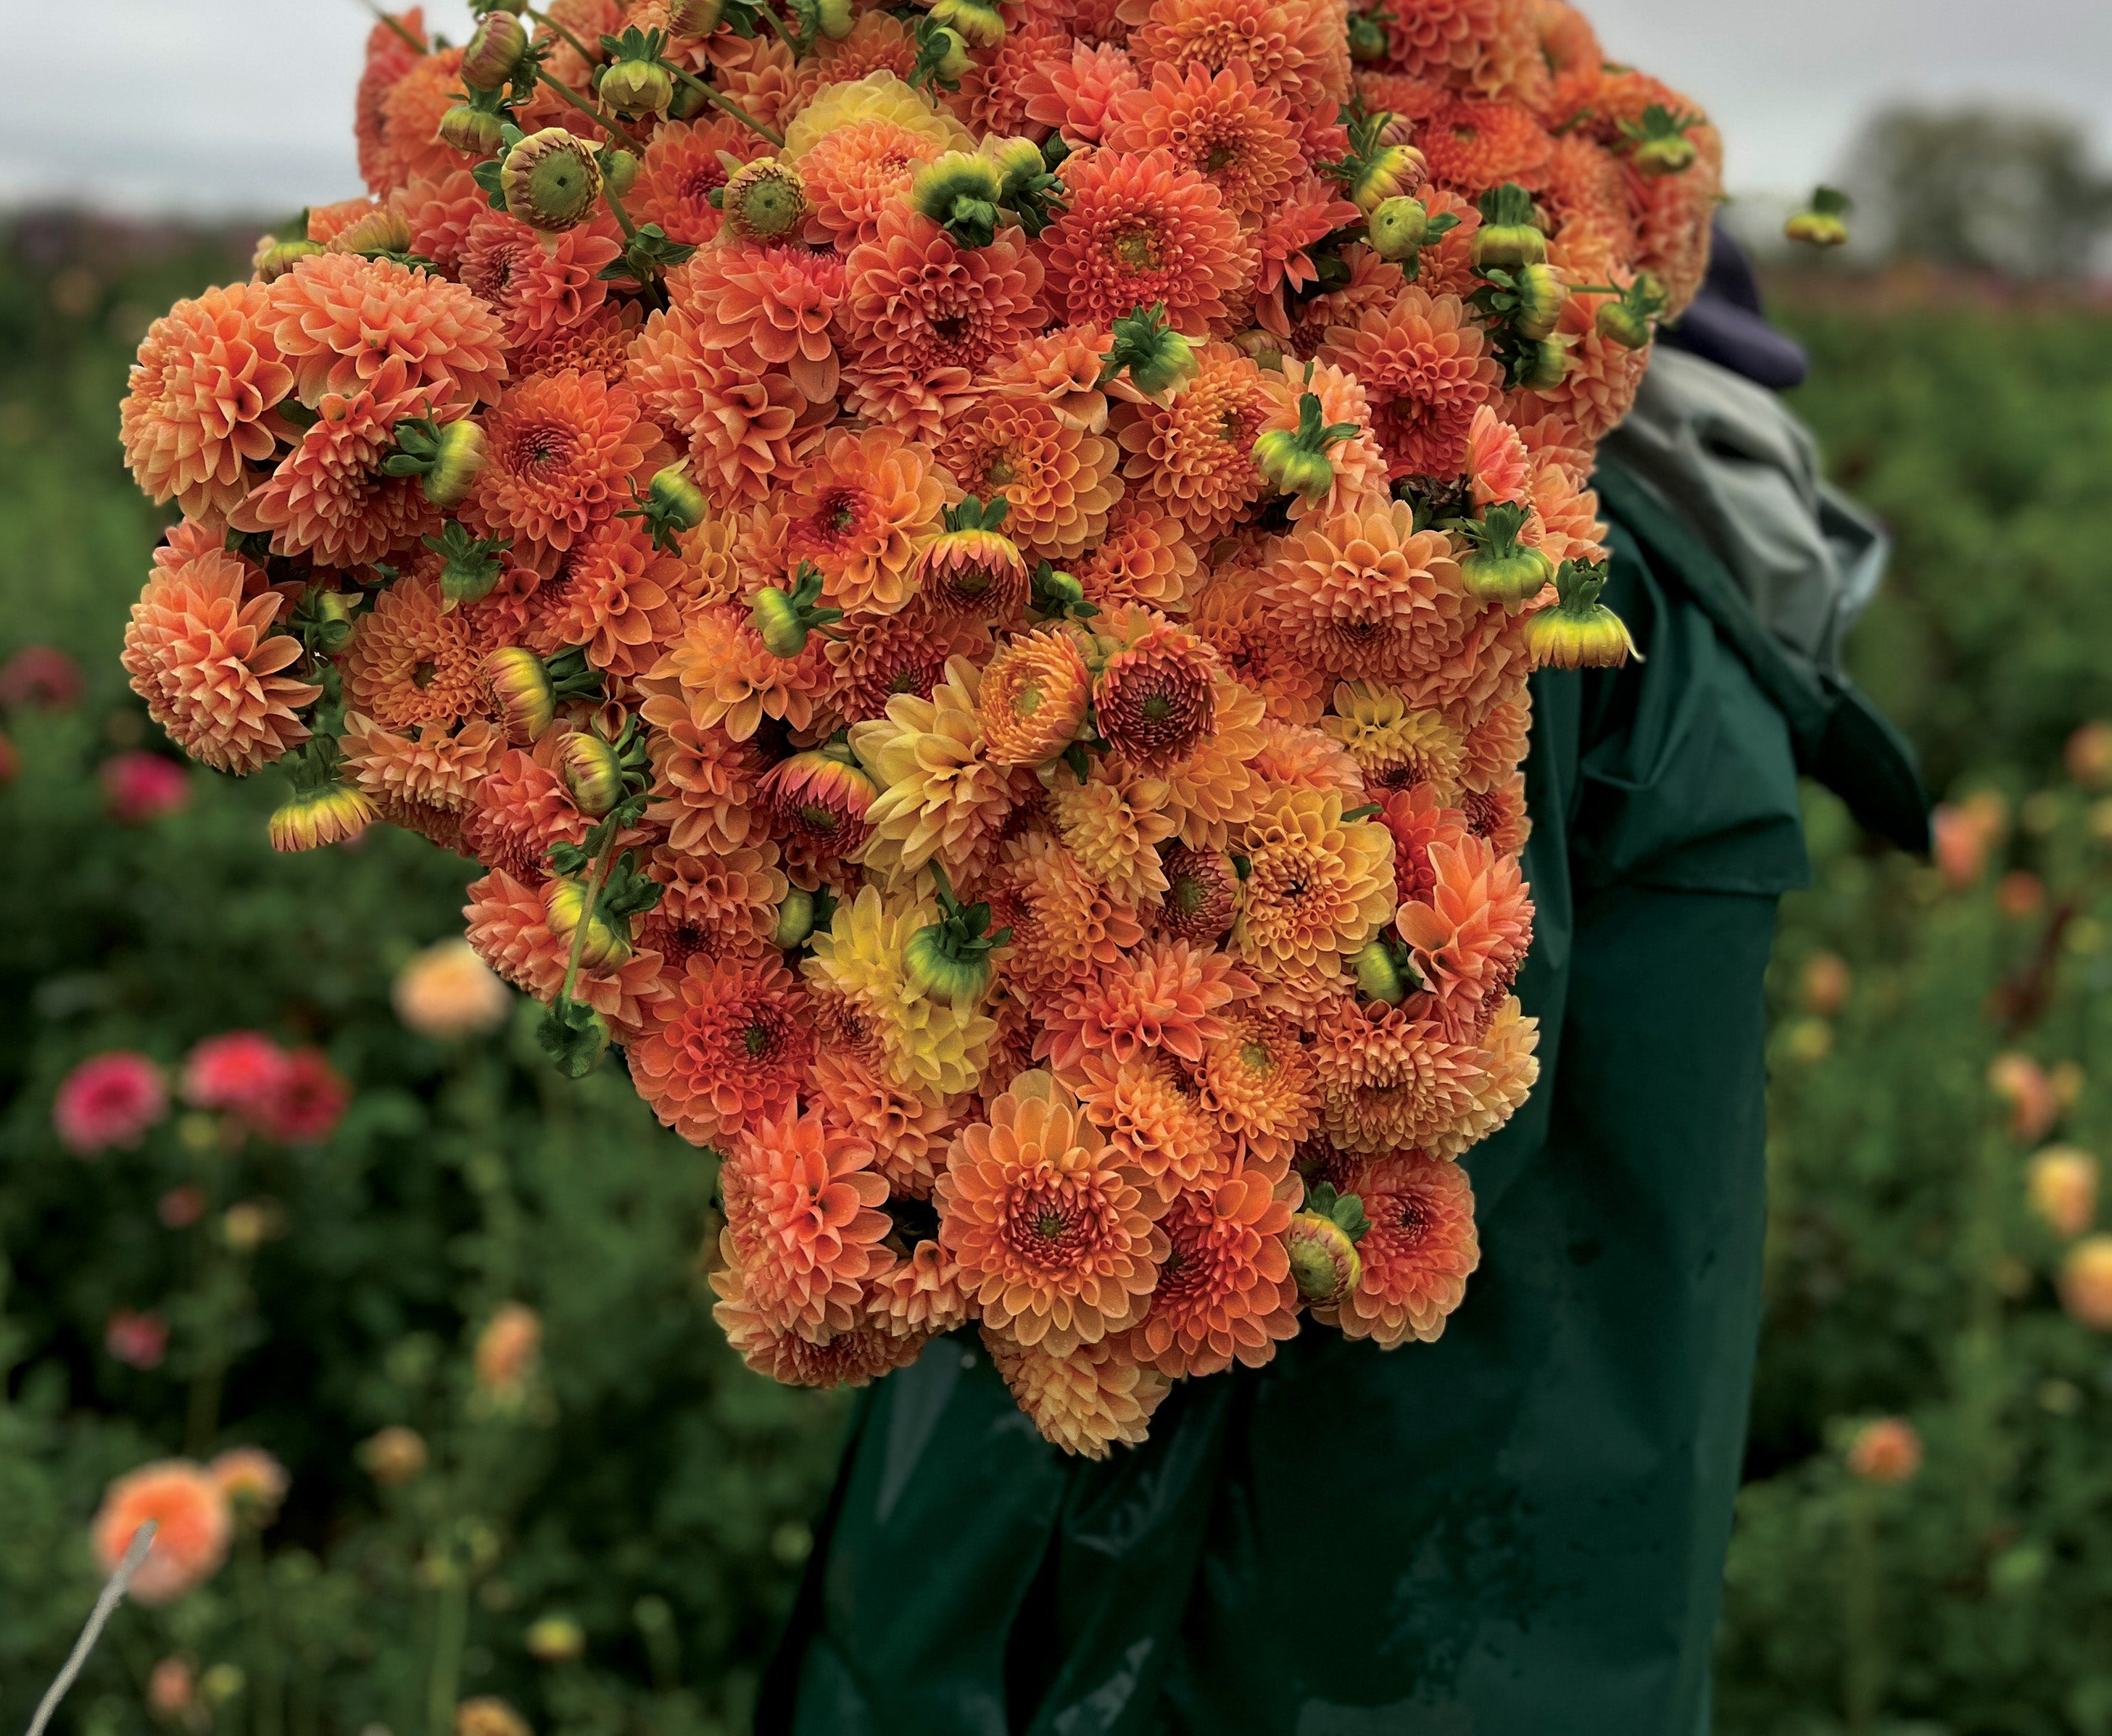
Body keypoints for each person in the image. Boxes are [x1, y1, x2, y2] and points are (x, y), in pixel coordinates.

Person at [758, 228, 1924, 1736]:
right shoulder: (1686, 563)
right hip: (1555, 1559)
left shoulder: (1497, 571)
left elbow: (1330, 1148)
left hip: (1303, 1599)